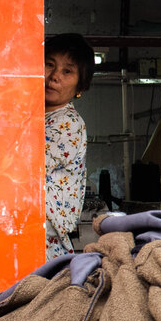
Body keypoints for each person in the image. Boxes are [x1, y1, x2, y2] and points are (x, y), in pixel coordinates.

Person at [44, 33, 94, 260]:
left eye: (67, 71)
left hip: (45, 243)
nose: (54, 77)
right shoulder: (37, 116)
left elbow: (20, 169)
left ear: (80, 85)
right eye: (49, 65)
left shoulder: (67, 123)